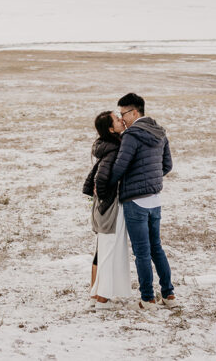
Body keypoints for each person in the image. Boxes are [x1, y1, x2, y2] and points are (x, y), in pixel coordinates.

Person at [107, 92, 175, 311]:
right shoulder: (159, 132)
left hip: (135, 201)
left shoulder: (131, 135)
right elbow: (167, 165)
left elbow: (119, 167)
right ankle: (169, 294)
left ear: (134, 112)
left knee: (142, 252)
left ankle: (148, 299)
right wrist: (150, 180)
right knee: (157, 248)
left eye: (123, 113)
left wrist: (107, 186)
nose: (121, 118)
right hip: (154, 200)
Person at [82, 110, 133, 310]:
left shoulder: (109, 146)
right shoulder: (114, 149)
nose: (121, 120)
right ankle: (102, 297)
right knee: (108, 250)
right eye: (116, 119)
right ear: (111, 129)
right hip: (110, 208)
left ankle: (97, 293)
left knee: (104, 249)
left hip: (105, 207)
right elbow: (101, 180)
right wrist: (106, 196)